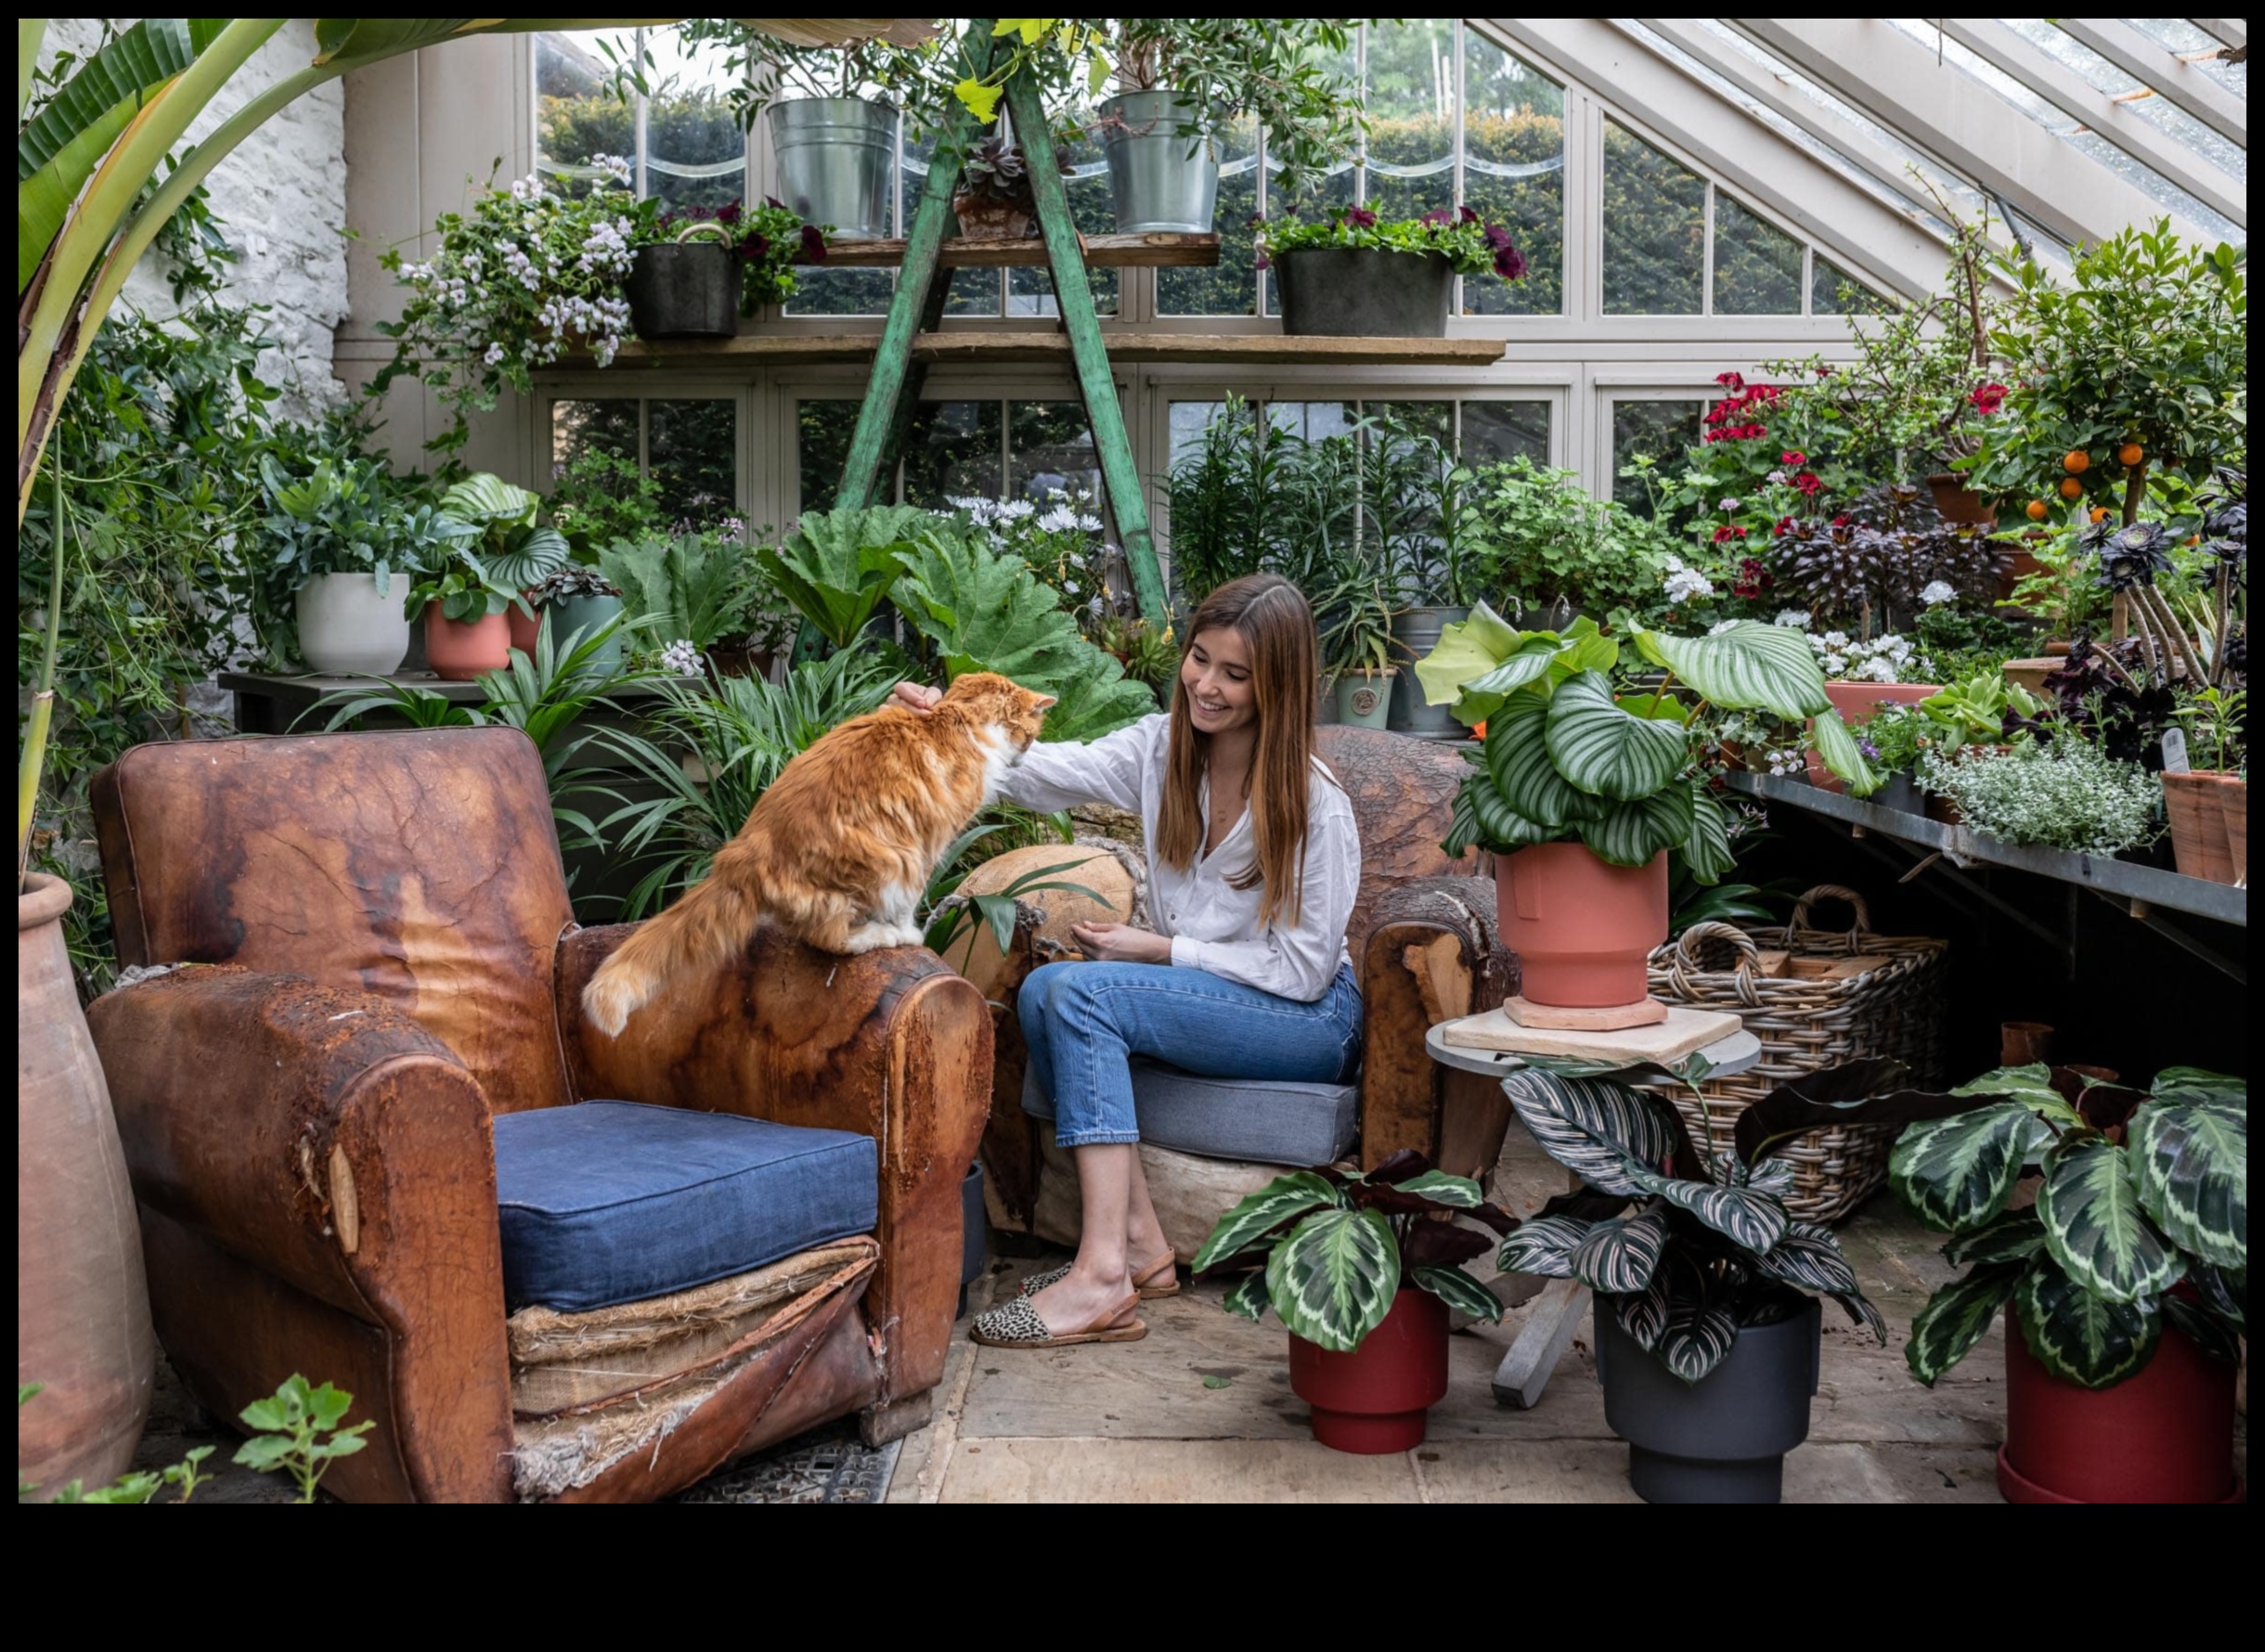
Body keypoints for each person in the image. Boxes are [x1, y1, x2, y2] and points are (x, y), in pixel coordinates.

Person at [891, 573, 1363, 1349]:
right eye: (1200, 659)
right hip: (1221, 994)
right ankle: (1142, 1249)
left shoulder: (1316, 804)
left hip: (1311, 1018)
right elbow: (1042, 775)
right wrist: (944, 727)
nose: (1206, 686)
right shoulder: (1159, 750)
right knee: (1045, 991)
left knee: (1080, 997)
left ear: (1276, 683)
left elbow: (1306, 971)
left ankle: (1102, 1275)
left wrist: (1163, 950)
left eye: (1234, 674)